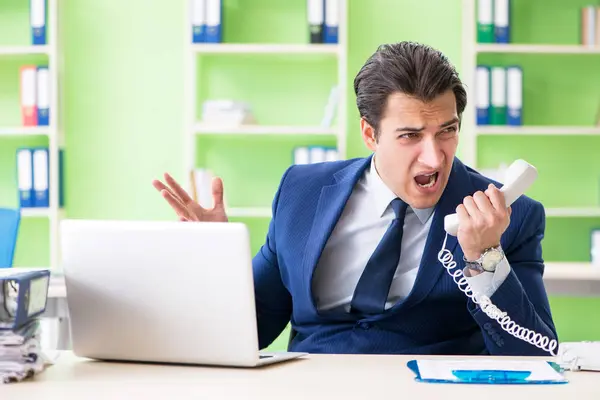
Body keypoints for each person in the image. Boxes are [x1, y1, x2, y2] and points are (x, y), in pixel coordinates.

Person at [153, 41, 557, 356]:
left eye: (446, 131)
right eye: (410, 135)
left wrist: (485, 257)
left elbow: (536, 355)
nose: (434, 156)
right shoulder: (301, 193)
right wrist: (214, 261)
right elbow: (251, 326)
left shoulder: (511, 216)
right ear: (370, 133)